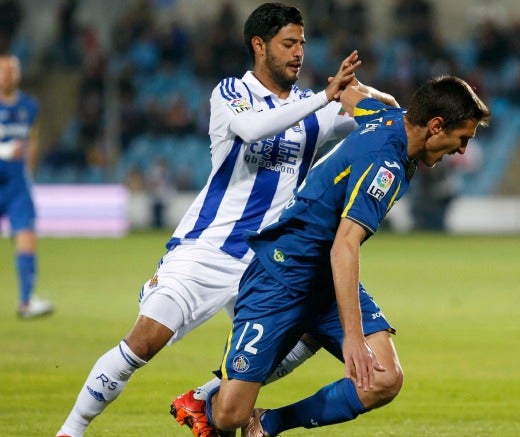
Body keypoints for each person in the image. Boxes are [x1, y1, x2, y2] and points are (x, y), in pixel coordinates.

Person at [55, 3, 397, 436]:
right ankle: (71, 429)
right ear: (260, 46)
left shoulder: (316, 108)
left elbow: (386, 121)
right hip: (209, 249)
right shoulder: (232, 93)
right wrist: (324, 98)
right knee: (143, 342)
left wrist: (367, 93)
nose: (298, 54)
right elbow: (255, 130)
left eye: (302, 45)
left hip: (268, 262)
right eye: (288, 44)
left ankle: (203, 396)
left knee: (306, 336)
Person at [189, 76, 490, 436]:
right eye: (463, 139)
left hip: (322, 277)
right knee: (227, 416)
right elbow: (344, 245)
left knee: (383, 379)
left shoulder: (390, 116)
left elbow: (349, 95)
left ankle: (269, 422)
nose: (461, 151)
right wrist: (353, 337)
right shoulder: (386, 165)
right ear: (437, 125)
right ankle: (204, 401)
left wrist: (355, 86)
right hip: (281, 275)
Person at [0, 54, 54, 319]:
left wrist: (28, 170)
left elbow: (32, 141)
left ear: (18, 74)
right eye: (2, 70)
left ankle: (25, 301)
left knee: (26, 237)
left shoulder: (29, 106)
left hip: (17, 185)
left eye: (11, 70)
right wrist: (5, 150)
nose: (7, 75)